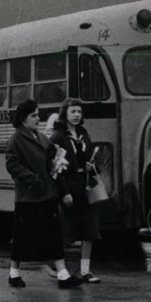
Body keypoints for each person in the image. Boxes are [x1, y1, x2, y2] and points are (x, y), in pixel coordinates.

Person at [4, 99, 81, 289]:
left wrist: (58, 163)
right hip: (28, 197)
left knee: (53, 235)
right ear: (23, 119)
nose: (38, 118)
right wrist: (33, 179)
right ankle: (14, 273)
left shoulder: (42, 137)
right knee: (22, 237)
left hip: (47, 194)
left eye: (38, 115)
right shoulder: (16, 139)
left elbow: (51, 160)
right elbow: (12, 165)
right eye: (34, 115)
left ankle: (63, 275)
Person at [50, 99, 101, 283]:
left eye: (79, 111)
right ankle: (58, 268)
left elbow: (90, 157)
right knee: (66, 230)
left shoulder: (83, 133)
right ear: (65, 113)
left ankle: (85, 271)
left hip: (85, 184)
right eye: (73, 111)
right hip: (69, 186)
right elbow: (55, 168)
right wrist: (64, 192)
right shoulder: (57, 137)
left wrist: (90, 164)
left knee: (89, 229)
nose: (77, 115)